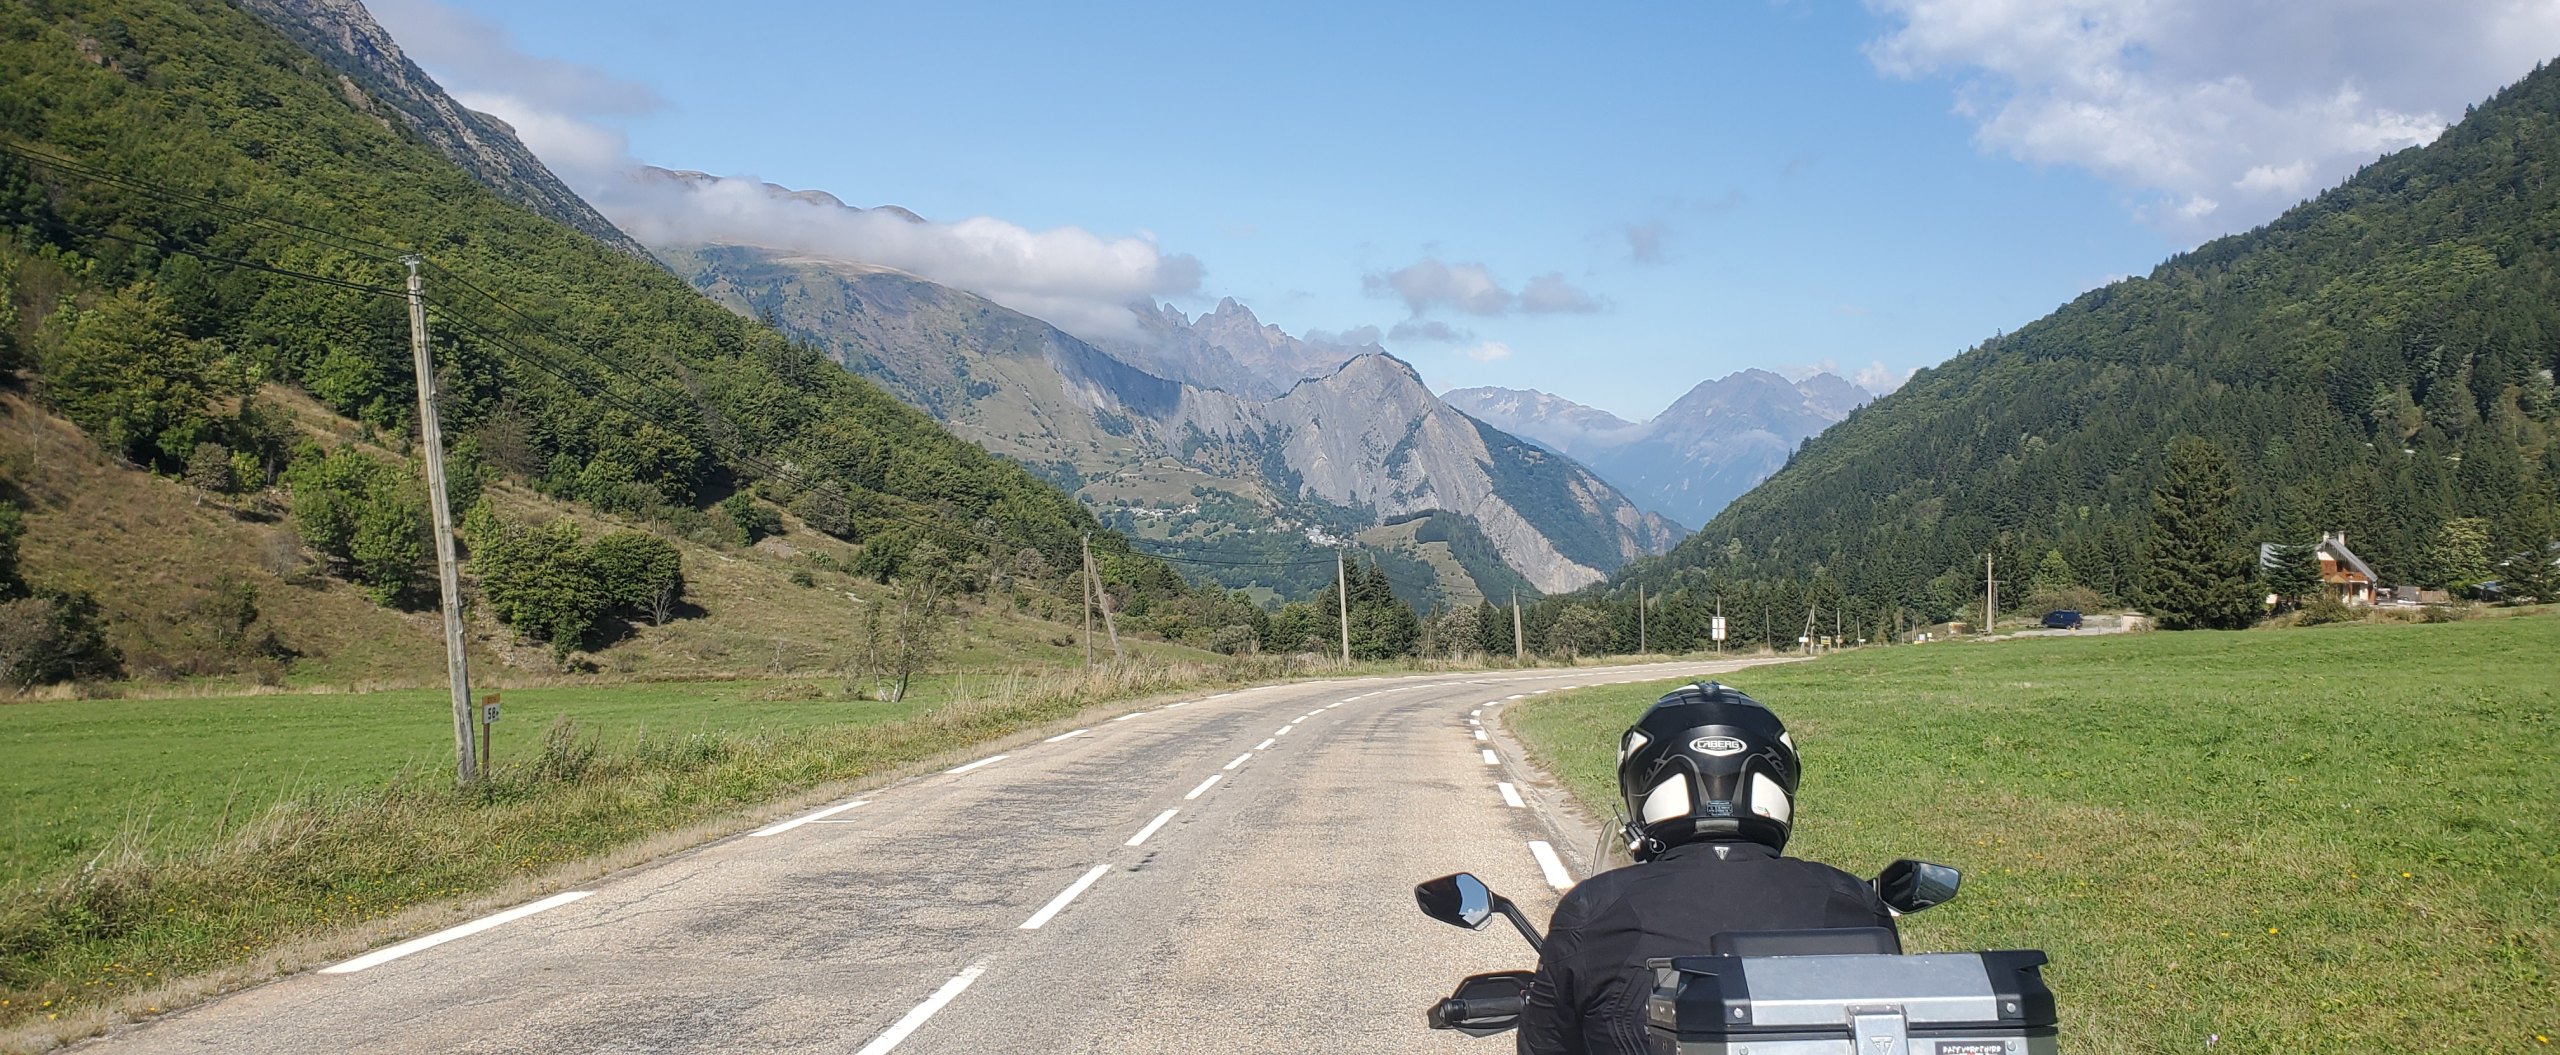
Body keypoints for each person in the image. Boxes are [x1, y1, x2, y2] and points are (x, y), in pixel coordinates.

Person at [1515, 682, 1895, 1055]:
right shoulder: (1856, 903)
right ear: (1780, 779)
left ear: (1643, 783)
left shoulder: (1594, 910)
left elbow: (1544, 1042)